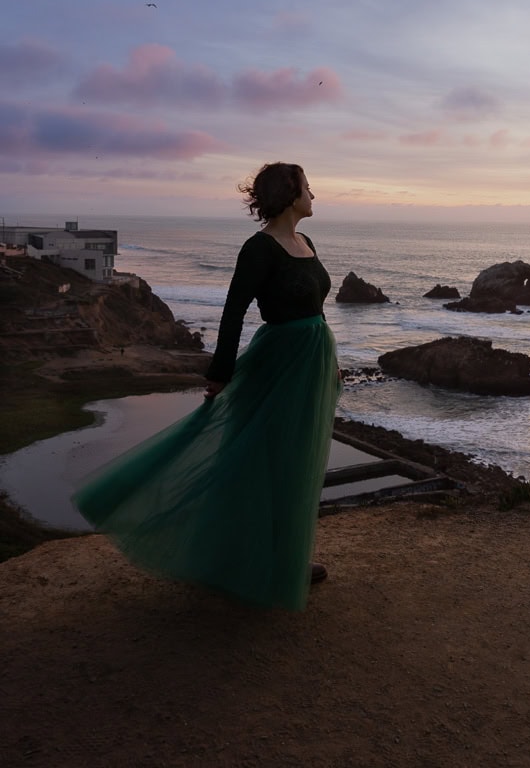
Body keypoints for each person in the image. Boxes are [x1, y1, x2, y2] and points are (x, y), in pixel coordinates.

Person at [72, 162, 341, 611]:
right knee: (266, 463)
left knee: (299, 464)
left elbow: (315, 307)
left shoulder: (306, 242)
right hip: (278, 362)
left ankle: (288, 559)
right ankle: (248, 560)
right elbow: (234, 311)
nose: (314, 194)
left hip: (312, 361)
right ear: (289, 194)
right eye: (308, 187)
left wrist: (332, 361)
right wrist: (220, 374)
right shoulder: (258, 249)